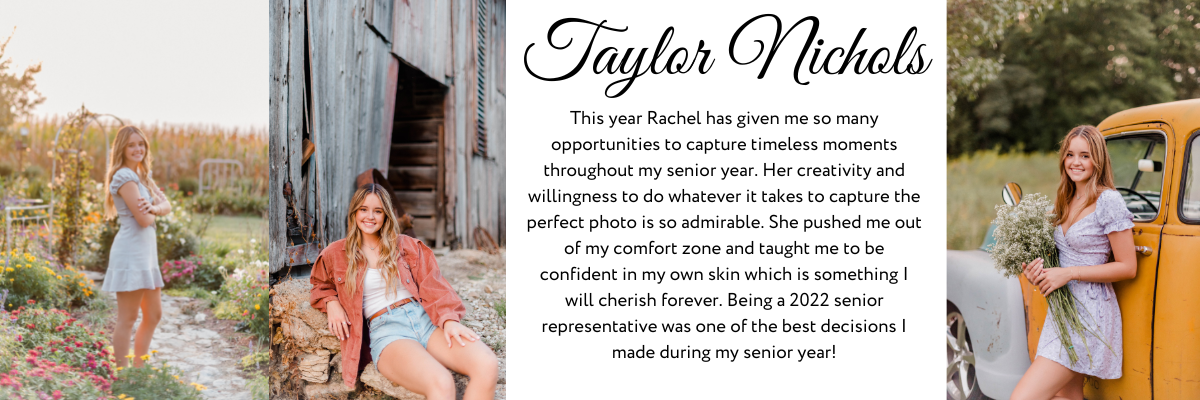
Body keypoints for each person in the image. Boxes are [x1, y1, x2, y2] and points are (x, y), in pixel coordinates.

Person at [310, 184, 498, 400]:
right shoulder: (336, 252)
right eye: (363, 209)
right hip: (388, 331)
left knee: (487, 365)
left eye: (378, 211)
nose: (370, 216)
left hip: (425, 321)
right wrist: (331, 302)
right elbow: (319, 284)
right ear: (354, 212)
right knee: (442, 383)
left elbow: (433, 284)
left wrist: (449, 319)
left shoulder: (407, 246)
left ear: (386, 215)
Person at [1011, 125, 1138, 400]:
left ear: (1098, 160)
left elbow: (1128, 267)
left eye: (1085, 155)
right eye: (1070, 154)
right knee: (1065, 396)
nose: (1075, 162)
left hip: (1090, 312)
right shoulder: (1065, 199)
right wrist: (1039, 272)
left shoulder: (1109, 201)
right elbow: (1059, 258)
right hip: (1062, 309)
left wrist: (1068, 273)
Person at [101, 125, 172, 368]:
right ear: (122, 148)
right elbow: (143, 219)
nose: (137, 148)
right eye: (131, 144)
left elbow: (166, 205)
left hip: (145, 256)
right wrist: (153, 210)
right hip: (131, 253)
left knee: (153, 315)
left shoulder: (142, 177)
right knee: (128, 317)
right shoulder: (123, 176)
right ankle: (122, 376)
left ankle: (139, 372)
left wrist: (153, 208)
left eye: (140, 144)